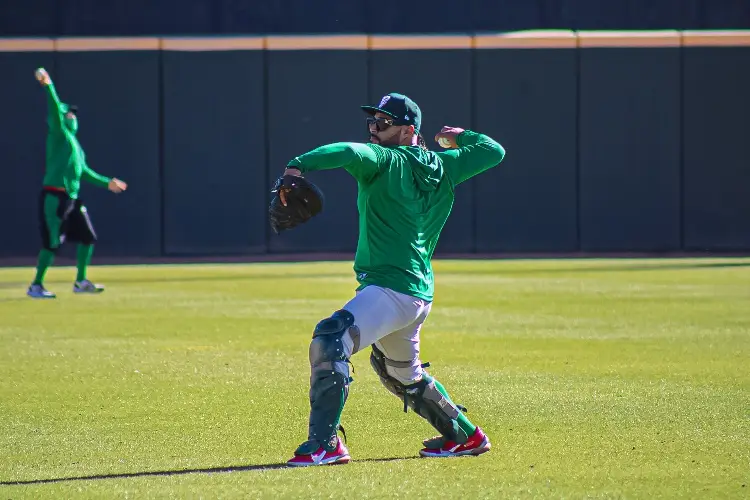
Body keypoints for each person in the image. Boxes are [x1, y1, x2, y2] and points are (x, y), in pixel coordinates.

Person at [281, 92, 506, 466]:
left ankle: (324, 445)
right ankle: (466, 436)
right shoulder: (445, 166)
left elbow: (349, 153)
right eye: (372, 122)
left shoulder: (384, 160)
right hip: (416, 293)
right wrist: (459, 135)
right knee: (401, 374)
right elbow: (492, 150)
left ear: (407, 131)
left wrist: (297, 166)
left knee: (330, 339)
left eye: (382, 123)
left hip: (391, 289)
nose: (374, 129)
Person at [27, 68, 128, 299]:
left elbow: (84, 172)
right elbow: (54, 107)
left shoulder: (75, 146)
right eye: (69, 113)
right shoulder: (59, 135)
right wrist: (48, 85)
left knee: (87, 236)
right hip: (54, 196)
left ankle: (81, 281)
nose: (73, 115)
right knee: (51, 243)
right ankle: (36, 285)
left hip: (70, 199)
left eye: (74, 114)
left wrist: (107, 183)